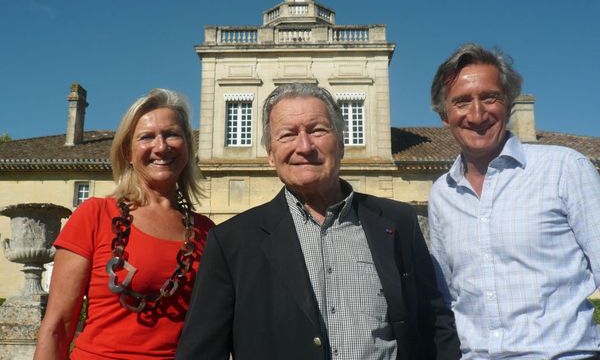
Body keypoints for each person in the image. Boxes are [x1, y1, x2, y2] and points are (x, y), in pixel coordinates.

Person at [176, 83, 460, 360]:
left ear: (341, 143)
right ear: (271, 155)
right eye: (287, 134)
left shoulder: (399, 222)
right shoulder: (231, 242)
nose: (304, 146)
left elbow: (434, 323)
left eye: (318, 130)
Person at [428, 43, 600, 358]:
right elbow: (448, 294)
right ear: (444, 115)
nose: (477, 113)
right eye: (462, 101)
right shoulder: (442, 193)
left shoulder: (564, 168)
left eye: (490, 97)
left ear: (508, 103)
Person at [34, 89, 215, 359]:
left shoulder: (206, 232)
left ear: (188, 147)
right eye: (147, 137)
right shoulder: (95, 216)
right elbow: (57, 326)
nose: (161, 146)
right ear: (128, 152)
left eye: (172, 134)